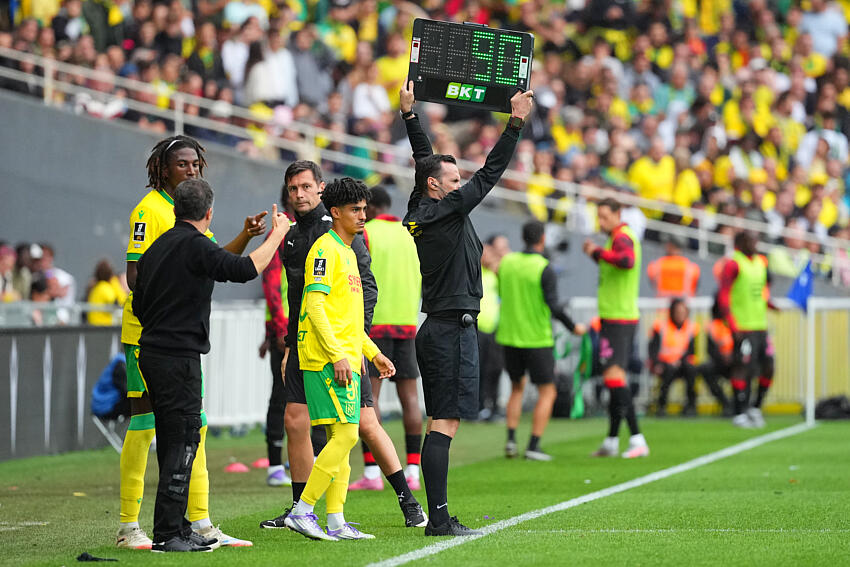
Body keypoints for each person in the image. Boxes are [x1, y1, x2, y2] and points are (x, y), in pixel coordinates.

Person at [259, 161, 426, 531]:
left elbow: (364, 290)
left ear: (321, 190)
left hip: (338, 349)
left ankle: (406, 501)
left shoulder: (339, 238)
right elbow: (301, 300)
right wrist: (291, 345)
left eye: (305, 187)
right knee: (300, 423)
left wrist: (359, 347)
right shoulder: (297, 237)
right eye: (293, 188)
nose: (299, 194)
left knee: (361, 425)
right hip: (315, 348)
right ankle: (304, 511)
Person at [400, 80, 533, 536]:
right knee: (446, 423)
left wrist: (410, 115)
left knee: (442, 420)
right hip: (452, 328)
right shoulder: (446, 210)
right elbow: (490, 174)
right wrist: (515, 122)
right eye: (454, 182)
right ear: (437, 188)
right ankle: (438, 519)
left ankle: (436, 514)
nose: (463, 187)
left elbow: (424, 164)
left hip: (437, 326)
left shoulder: (422, 205)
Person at [118, 135, 262, 550]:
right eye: (182, 165)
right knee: (147, 426)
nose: (191, 170)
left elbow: (212, 262)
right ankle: (129, 526)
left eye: (196, 164)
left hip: (176, 337)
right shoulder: (149, 210)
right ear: (164, 169)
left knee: (188, 427)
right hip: (148, 335)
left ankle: (199, 522)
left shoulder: (189, 212)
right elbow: (136, 276)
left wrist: (244, 237)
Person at [133, 179, 289, 552]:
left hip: (153, 354)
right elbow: (244, 270)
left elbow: (214, 265)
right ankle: (168, 534)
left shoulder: (158, 248)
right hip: (177, 357)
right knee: (184, 440)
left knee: (174, 441)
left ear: (175, 210)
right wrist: (277, 234)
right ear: (209, 213)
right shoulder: (193, 246)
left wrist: (245, 237)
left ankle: (177, 527)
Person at [285, 177, 396, 541]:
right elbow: (313, 304)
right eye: (355, 210)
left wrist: (374, 353)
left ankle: (336, 520)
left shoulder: (348, 251)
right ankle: (302, 510)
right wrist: (337, 356)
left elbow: (347, 321)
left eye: (364, 209)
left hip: (345, 356)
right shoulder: (324, 250)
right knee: (348, 434)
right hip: (323, 359)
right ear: (335, 213)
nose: (363, 216)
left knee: (340, 435)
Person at [351, 186, 423, 491]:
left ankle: (371, 473)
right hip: (407, 322)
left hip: (375, 326)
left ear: (370, 207)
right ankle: (413, 471)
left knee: (371, 399)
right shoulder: (411, 234)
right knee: (410, 398)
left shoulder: (366, 233)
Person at [497, 220, 586, 461]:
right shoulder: (544, 267)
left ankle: (511, 441)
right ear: (542, 239)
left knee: (516, 388)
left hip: (509, 335)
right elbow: (554, 306)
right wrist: (573, 326)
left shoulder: (507, 263)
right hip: (536, 337)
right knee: (547, 391)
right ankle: (534, 445)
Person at [582, 198, 649, 459]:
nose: (601, 222)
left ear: (618, 214)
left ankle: (637, 438)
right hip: (616, 317)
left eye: (605, 216)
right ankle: (611, 441)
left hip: (619, 319)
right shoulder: (616, 237)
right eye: (599, 217)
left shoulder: (622, 237)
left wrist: (596, 253)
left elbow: (626, 261)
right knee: (613, 380)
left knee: (614, 378)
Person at [717, 231, 777, 428]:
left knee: (768, 366)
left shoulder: (761, 262)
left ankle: (755, 407)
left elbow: (761, 290)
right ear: (740, 243)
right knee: (742, 367)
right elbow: (724, 295)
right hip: (743, 327)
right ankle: (739, 412)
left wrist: (769, 303)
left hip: (761, 325)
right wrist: (732, 324)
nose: (755, 243)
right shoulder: (734, 263)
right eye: (750, 240)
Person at [258, 189, 292, 487]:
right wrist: (278, 331)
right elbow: (270, 283)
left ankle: (296, 459)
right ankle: (274, 465)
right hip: (285, 331)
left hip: (309, 327)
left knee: (306, 399)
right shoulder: (280, 232)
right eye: (297, 189)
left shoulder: (318, 229)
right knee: (281, 396)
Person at [478, 234, 510, 421]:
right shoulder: (476, 272)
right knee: (478, 369)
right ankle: (478, 407)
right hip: (478, 327)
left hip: (496, 328)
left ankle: (494, 406)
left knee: (496, 368)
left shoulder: (496, 274)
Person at [648, 298, 698, 417]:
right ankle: (662, 405)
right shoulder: (661, 327)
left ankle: (691, 406)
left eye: (683, 312)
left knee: (691, 370)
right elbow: (653, 349)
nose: (681, 315)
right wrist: (656, 364)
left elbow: (691, 351)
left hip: (682, 364)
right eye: (678, 312)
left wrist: (680, 361)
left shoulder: (691, 328)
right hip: (665, 364)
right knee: (668, 371)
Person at [699, 295, 734, 416]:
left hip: (737, 361)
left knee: (746, 367)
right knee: (705, 368)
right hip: (720, 363)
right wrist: (723, 357)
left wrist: (733, 357)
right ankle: (726, 403)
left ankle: (741, 403)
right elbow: (710, 350)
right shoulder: (712, 325)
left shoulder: (737, 322)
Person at [86, 259, 127, 325]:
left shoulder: (96, 287)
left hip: (95, 325)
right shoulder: (104, 287)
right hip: (103, 326)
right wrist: (115, 282)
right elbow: (121, 302)